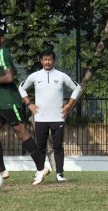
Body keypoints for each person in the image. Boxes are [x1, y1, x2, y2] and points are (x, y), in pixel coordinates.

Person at [0, 27, 49, 185]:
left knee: (22, 134)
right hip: (0, 103)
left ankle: (41, 167)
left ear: (2, 39)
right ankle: (1, 170)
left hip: (11, 102)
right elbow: (11, 73)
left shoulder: (3, 53)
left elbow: (10, 77)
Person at [19, 49, 81, 182]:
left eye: (50, 59)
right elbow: (21, 88)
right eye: (45, 59)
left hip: (57, 117)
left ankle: (60, 174)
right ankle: (40, 172)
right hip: (40, 117)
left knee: (57, 146)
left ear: (54, 60)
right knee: (40, 147)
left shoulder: (61, 76)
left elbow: (77, 88)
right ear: (41, 61)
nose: (47, 62)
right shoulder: (35, 76)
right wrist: (29, 104)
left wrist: (69, 105)